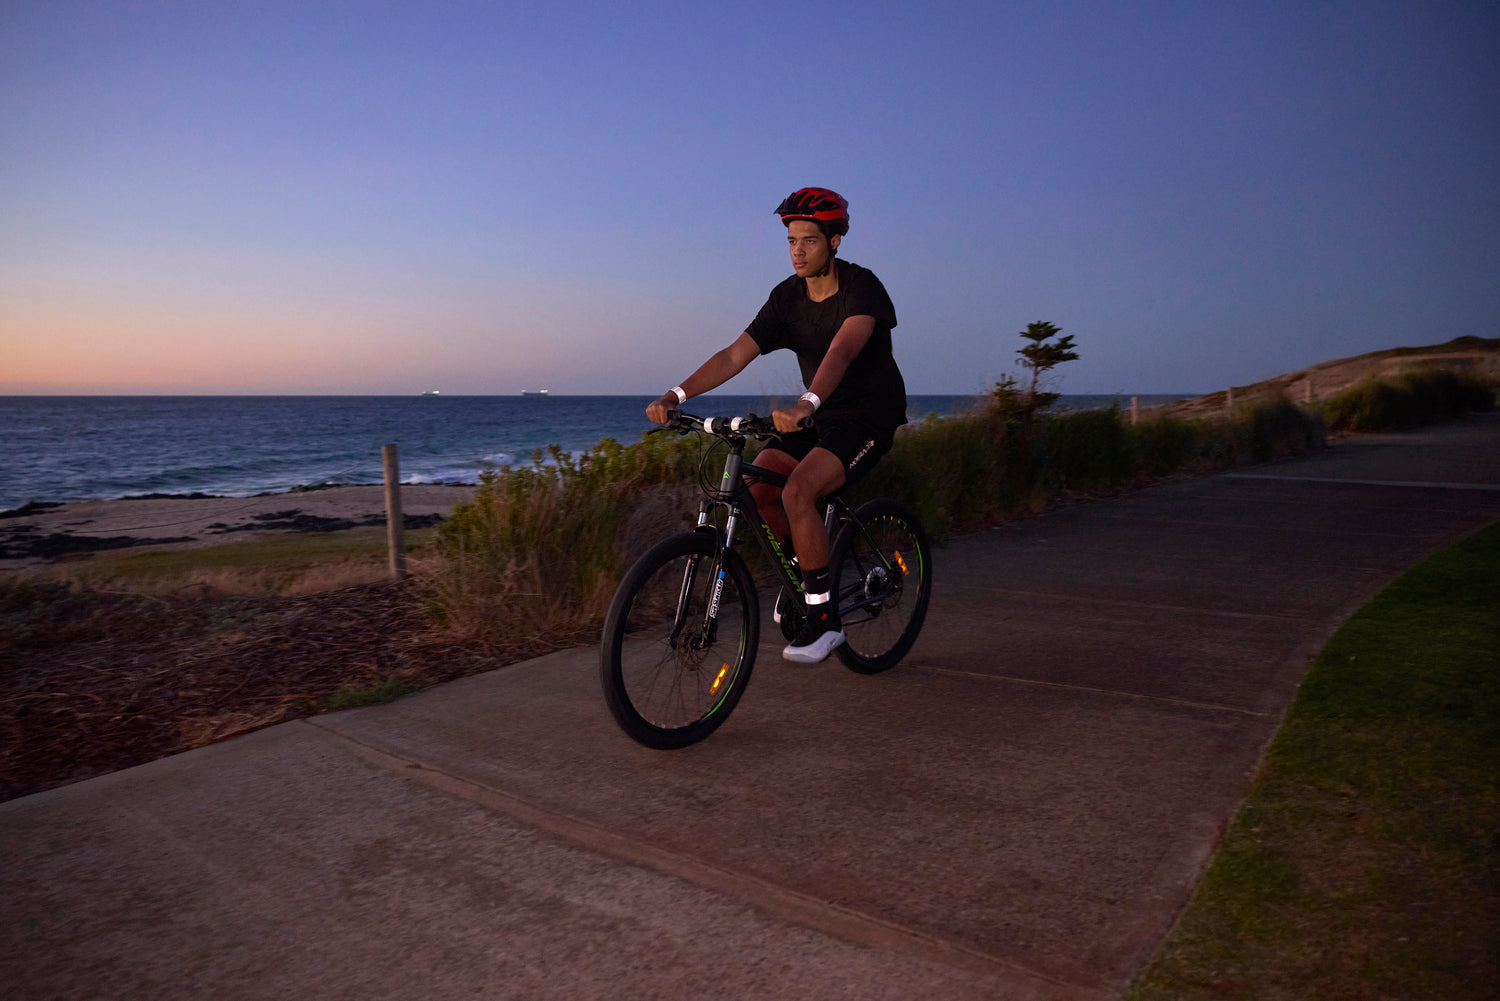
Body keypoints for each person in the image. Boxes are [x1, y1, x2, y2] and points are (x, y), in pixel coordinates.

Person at [646, 187, 907, 663]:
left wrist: (807, 401)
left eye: (809, 240)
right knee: (756, 488)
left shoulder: (862, 288)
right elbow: (733, 355)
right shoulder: (786, 298)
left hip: (869, 416)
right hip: (819, 416)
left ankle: (825, 621)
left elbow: (842, 350)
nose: (797, 251)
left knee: (799, 491)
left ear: (834, 242)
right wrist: (676, 395)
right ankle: (807, 577)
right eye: (791, 241)